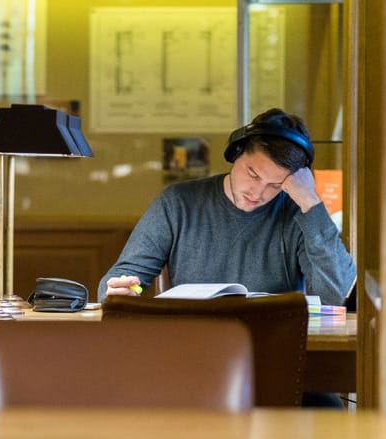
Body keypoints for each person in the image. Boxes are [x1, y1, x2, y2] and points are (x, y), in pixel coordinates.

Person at [98, 108, 356, 307]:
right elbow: (120, 279)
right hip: (189, 342)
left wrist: (311, 203)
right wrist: (123, 290)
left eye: (275, 185)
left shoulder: (298, 212)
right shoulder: (177, 202)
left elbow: (339, 297)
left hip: (272, 344)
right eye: (253, 174)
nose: (258, 192)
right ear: (235, 154)